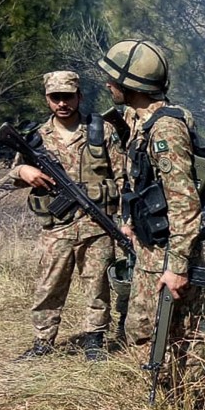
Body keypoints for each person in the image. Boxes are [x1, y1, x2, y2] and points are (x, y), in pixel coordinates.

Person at [97, 39, 205, 383]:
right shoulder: (141, 121)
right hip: (150, 248)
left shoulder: (165, 130)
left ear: (132, 85)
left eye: (113, 80)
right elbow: (141, 180)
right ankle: (164, 396)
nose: (108, 85)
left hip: (168, 253)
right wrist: (130, 221)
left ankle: (186, 405)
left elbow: (185, 204)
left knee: (175, 337)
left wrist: (176, 268)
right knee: (144, 330)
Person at [11, 71, 125, 361]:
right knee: (49, 285)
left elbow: (123, 178)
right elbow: (13, 172)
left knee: (97, 285)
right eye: (55, 97)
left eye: (67, 97)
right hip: (57, 227)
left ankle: (94, 340)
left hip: (97, 224)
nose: (62, 103)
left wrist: (126, 222)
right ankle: (43, 341)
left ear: (79, 96)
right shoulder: (36, 138)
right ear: (47, 99)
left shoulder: (101, 131)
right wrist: (23, 171)